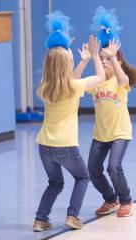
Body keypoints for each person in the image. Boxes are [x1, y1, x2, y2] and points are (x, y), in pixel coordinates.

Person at [33, 11, 106, 232]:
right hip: (65, 145)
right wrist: (93, 56)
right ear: (67, 64)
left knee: (55, 183)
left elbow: (64, 75)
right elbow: (101, 78)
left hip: (44, 146)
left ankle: (40, 219)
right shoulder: (74, 87)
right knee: (82, 177)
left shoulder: (45, 87)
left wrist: (76, 59)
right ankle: (72, 216)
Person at [77, 6, 136, 218]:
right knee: (93, 170)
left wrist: (113, 57)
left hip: (120, 132)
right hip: (101, 134)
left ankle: (126, 200)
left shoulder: (119, 81)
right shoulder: (97, 83)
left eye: (108, 61)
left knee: (114, 167)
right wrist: (89, 58)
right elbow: (76, 83)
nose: (105, 64)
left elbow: (124, 79)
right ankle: (110, 199)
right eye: (103, 61)